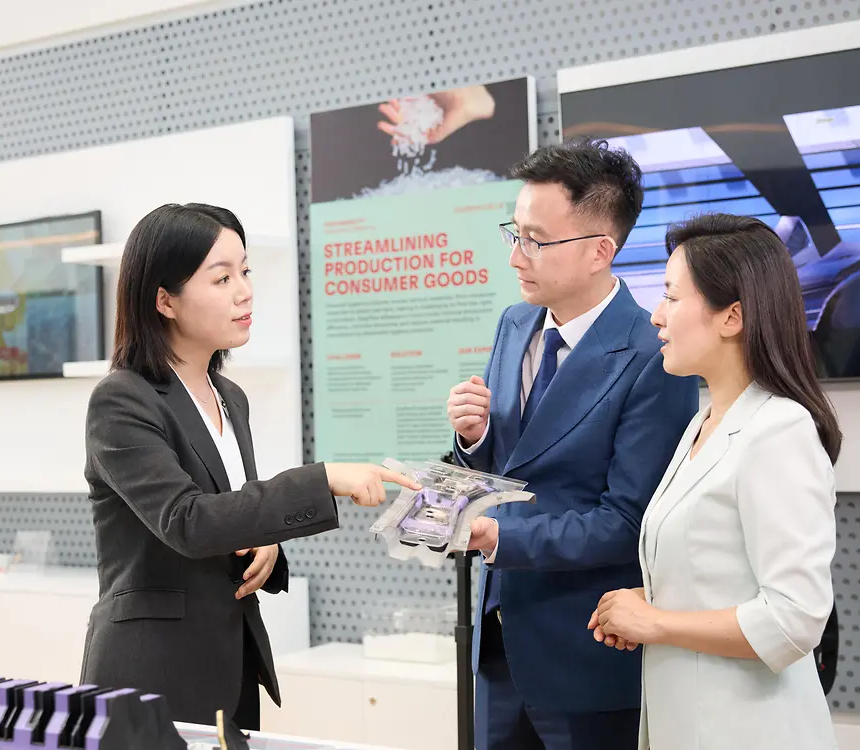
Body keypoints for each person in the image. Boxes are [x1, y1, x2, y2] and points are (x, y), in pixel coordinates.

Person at [80, 203, 419, 730]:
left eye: (245, 271)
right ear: (164, 300)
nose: (244, 290)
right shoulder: (122, 400)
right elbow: (188, 522)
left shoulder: (229, 396)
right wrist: (324, 477)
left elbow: (227, 510)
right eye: (221, 278)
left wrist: (266, 540)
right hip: (151, 675)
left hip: (230, 665)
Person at [446, 138, 699, 750]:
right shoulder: (515, 323)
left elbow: (627, 520)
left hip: (585, 651)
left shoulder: (652, 355)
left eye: (536, 240)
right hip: (498, 639)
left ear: (599, 251)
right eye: (514, 233)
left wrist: (502, 537)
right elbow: (512, 461)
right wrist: (472, 441)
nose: (516, 257)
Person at [590, 213, 842, 750]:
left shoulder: (779, 429)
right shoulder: (703, 423)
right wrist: (649, 603)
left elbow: (796, 617)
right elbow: (718, 573)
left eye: (672, 297)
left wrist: (657, 622)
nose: (656, 316)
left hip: (750, 729)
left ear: (732, 317)